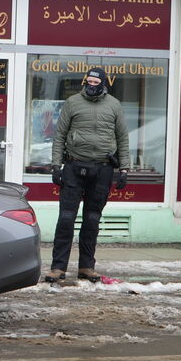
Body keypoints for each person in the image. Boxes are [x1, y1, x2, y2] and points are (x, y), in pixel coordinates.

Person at [45, 67, 129, 284]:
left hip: (102, 169)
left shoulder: (114, 105)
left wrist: (124, 169)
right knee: (66, 218)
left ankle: (86, 267)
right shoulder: (72, 102)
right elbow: (59, 135)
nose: (91, 85)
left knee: (92, 220)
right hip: (74, 167)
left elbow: (122, 138)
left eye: (95, 82)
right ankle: (58, 267)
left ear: (103, 84)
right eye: (88, 81)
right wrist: (56, 166)